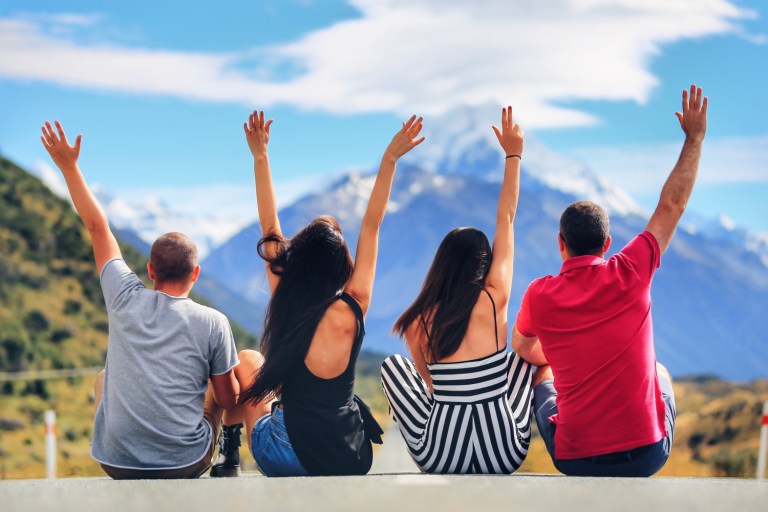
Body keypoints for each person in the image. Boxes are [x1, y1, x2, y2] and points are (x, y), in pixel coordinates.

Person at [210, 111, 424, 477]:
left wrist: (260, 157)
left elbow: (269, 227)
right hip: (346, 458)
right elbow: (372, 225)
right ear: (341, 267)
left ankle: (229, 454)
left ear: (302, 260)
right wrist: (389, 159)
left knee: (247, 361)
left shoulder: (286, 298)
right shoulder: (354, 305)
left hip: (285, 456)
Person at [512, 84, 708, 477]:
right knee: (660, 371)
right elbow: (672, 204)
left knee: (542, 379)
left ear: (560, 244)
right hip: (647, 456)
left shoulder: (539, 294)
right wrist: (694, 137)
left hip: (574, 458)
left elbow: (522, 348)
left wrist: (559, 360)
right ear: (607, 243)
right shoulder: (632, 270)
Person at [39, 121, 240, 479]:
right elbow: (227, 401)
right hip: (185, 462)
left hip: (114, 463)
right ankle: (229, 454)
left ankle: (121, 444)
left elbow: (97, 227)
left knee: (105, 377)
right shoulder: (213, 322)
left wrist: (69, 168)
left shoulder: (123, 296)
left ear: (150, 270)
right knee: (218, 378)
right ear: (195, 274)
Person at [380, 107, 535, 474]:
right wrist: (514, 155)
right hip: (503, 453)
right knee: (522, 358)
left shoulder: (418, 320)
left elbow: (429, 386)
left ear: (441, 265)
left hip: (440, 455)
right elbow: (506, 218)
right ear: (483, 266)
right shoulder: (494, 296)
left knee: (392, 367)